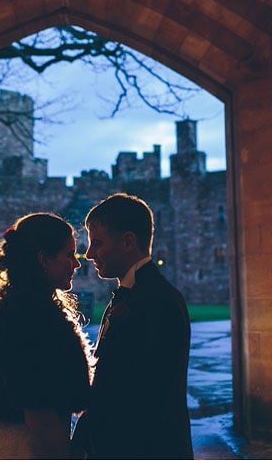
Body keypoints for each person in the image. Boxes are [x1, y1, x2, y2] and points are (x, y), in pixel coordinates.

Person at [71, 193, 194, 459]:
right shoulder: (135, 293)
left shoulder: (156, 301)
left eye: (98, 243)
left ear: (128, 242)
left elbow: (140, 396)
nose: (89, 254)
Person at [0, 212, 94, 459]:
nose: (77, 263)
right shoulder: (30, 316)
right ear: (43, 259)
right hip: (27, 450)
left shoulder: (24, 308)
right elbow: (39, 413)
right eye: (69, 255)